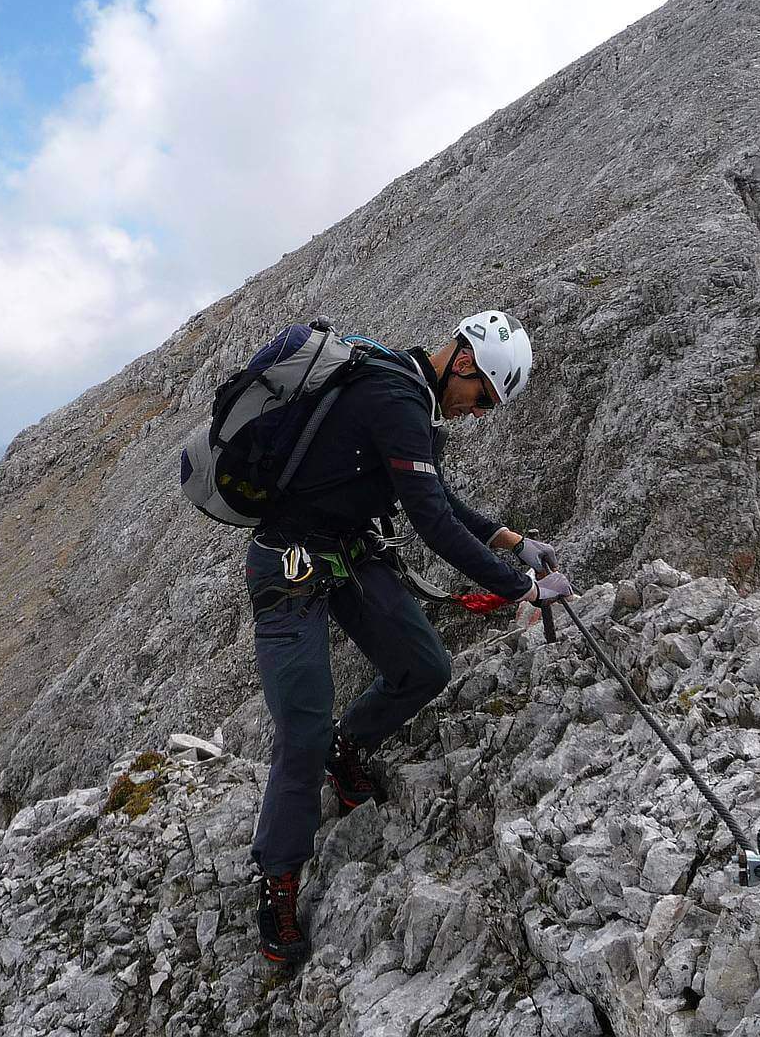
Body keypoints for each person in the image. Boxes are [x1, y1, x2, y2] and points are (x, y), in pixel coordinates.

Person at [244, 310, 574, 963]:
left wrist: (513, 540)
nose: (477, 412)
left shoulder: (412, 398)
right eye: (482, 397)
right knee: (302, 729)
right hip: (288, 562)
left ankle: (348, 745)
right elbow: (432, 522)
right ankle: (277, 877)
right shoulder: (395, 398)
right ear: (463, 362)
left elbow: (437, 495)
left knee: (424, 667)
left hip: (347, 550)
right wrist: (522, 589)